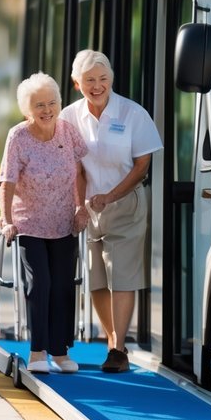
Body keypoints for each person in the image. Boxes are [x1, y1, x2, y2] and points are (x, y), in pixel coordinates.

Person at [62, 49, 162, 373]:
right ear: (77, 83)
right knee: (97, 281)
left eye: (103, 79)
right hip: (91, 206)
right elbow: (74, 167)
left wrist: (112, 195)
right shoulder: (69, 117)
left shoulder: (133, 114)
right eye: (90, 80)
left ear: (111, 80)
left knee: (122, 277)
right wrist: (80, 205)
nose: (97, 85)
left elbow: (142, 164)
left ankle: (118, 349)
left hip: (127, 203)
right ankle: (111, 339)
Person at [0, 73, 88, 374]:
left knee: (63, 286)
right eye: (39, 104)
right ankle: (37, 352)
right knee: (41, 284)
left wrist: (80, 207)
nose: (47, 109)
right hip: (29, 223)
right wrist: (7, 220)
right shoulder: (18, 136)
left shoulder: (67, 131)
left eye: (51, 102)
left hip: (63, 222)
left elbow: (79, 172)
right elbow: (7, 182)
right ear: (27, 109)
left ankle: (60, 353)